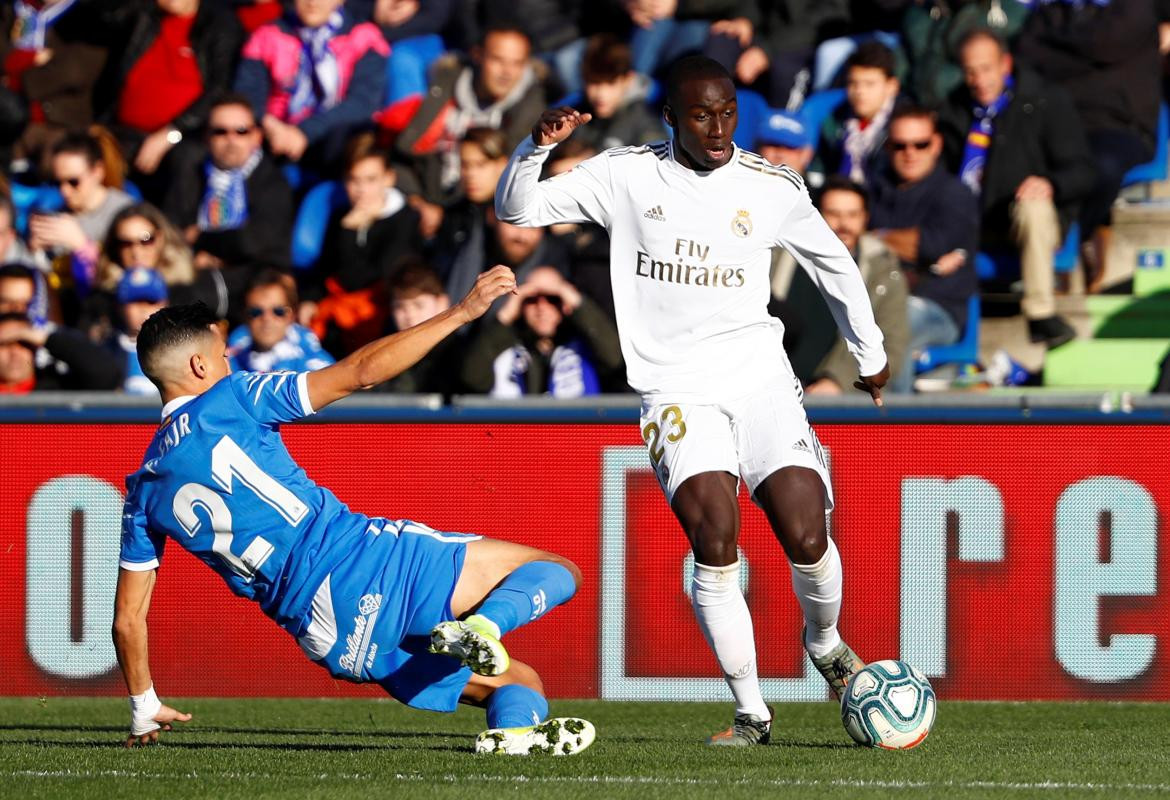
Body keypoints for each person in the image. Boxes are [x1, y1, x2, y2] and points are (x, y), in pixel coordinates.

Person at [496, 55, 888, 745]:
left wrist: (871, 353)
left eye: (728, 112)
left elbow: (834, 264)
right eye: (702, 114)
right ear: (671, 116)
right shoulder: (624, 174)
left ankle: (826, 645)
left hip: (760, 379)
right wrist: (537, 149)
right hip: (675, 387)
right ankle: (752, 713)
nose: (718, 128)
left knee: (806, 534)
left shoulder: (770, 185)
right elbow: (517, 208)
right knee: (715, 536)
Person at [114, 270, 597, 756]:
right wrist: (462, 312)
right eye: (221, 357)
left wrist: (143, 704)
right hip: (364, 563)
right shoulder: (232, 398)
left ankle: (512, 735)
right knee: (555, 569)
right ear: (198, 365)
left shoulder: (144, 490)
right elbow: (361, 371)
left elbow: (128, 620)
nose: (227, 364)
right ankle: (486, 626)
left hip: (326, 633)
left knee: (520, 681)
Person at [938, 29, 1094, 349]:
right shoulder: (952, 110)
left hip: (1023, 220)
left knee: (1033, 207)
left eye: (986, 69)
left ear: (1005, 64)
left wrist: (1049, 183)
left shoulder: (1046, 101)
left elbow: (1083, 171)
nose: (979, 79)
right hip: (971, 218)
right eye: (970, 71)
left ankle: (1040, 315)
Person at [868, 107, 980, 366]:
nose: (910, 153)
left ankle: (889, 408)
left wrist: (873, 237)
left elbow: (929, 245)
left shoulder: (955, 193)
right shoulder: (874, 191)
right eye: (900, 145)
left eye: (921, 144)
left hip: (939, 310)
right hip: (877, 297)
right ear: (887, 147)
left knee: (894, 324)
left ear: (936, 144)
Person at [162, 93, 294, 309]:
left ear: (256, 136)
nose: (231, 140)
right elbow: (172, 228)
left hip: (255, 279)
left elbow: (252, 242)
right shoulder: (191, 174)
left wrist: (202, 239)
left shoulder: (272, 181)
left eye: (241, 131)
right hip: (194, 269)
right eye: (220, 132)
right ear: (207, 137)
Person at [780, 176, 909, 394]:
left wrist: (836, 381)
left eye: (852, 215)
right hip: (774, 386)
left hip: (837, 397)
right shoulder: (779, 256)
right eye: (834, 214)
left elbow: (892, 345)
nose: (843, 224)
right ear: (816, 216)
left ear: (865, 218)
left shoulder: (885, 271)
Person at [303, 133, 420, 356]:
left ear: (389, 178)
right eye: (353, 180)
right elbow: (325, 268)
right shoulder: (341, 216)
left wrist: (350, 232)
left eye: (370, 180)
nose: (361, 189)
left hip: (383, 318)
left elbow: (368, 277)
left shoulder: (405, 219)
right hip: (341, 317)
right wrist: (310, 299)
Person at [235, 0, 389, 168]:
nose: (312, 3)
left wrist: (305, 131)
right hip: (277, 139)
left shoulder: (364, 37)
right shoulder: (267, 36)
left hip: (336, 143)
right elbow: (248, 94)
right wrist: (271, 126)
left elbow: (363, 102)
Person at [461, 266, 623, 397]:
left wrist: (574, 300)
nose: (542, 308)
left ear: (565, 303)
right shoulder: (505, 344)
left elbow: (614, 357)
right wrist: (506, 315)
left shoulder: (586, 344)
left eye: (552, 298)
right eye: (531, 299)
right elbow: (472, 377)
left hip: (575, 434)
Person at [818, 41, 900, 186]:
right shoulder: (834, 121)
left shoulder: (904, 126)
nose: (859, 92)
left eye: (870, 84)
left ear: (892, 86)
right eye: (853, 83)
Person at [374, 259, 459, 396]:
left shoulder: (456, 351)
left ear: (442, 303)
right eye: (400, 307)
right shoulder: (383, 351)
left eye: (418, 305)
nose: (409, 315)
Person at [571, 34, 664, 152]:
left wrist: (583, 162)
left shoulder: (645, 120)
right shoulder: (576, 113)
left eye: (610, 83)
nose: (601, 94)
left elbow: (658, 162)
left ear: (628, 80)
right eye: (593, 83)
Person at [229, 269, 333, 373]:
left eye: (278, 311)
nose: (267, 318)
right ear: (244, 315)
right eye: (256, 312)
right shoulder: (228, 362)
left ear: (292, 315)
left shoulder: (319, 368)